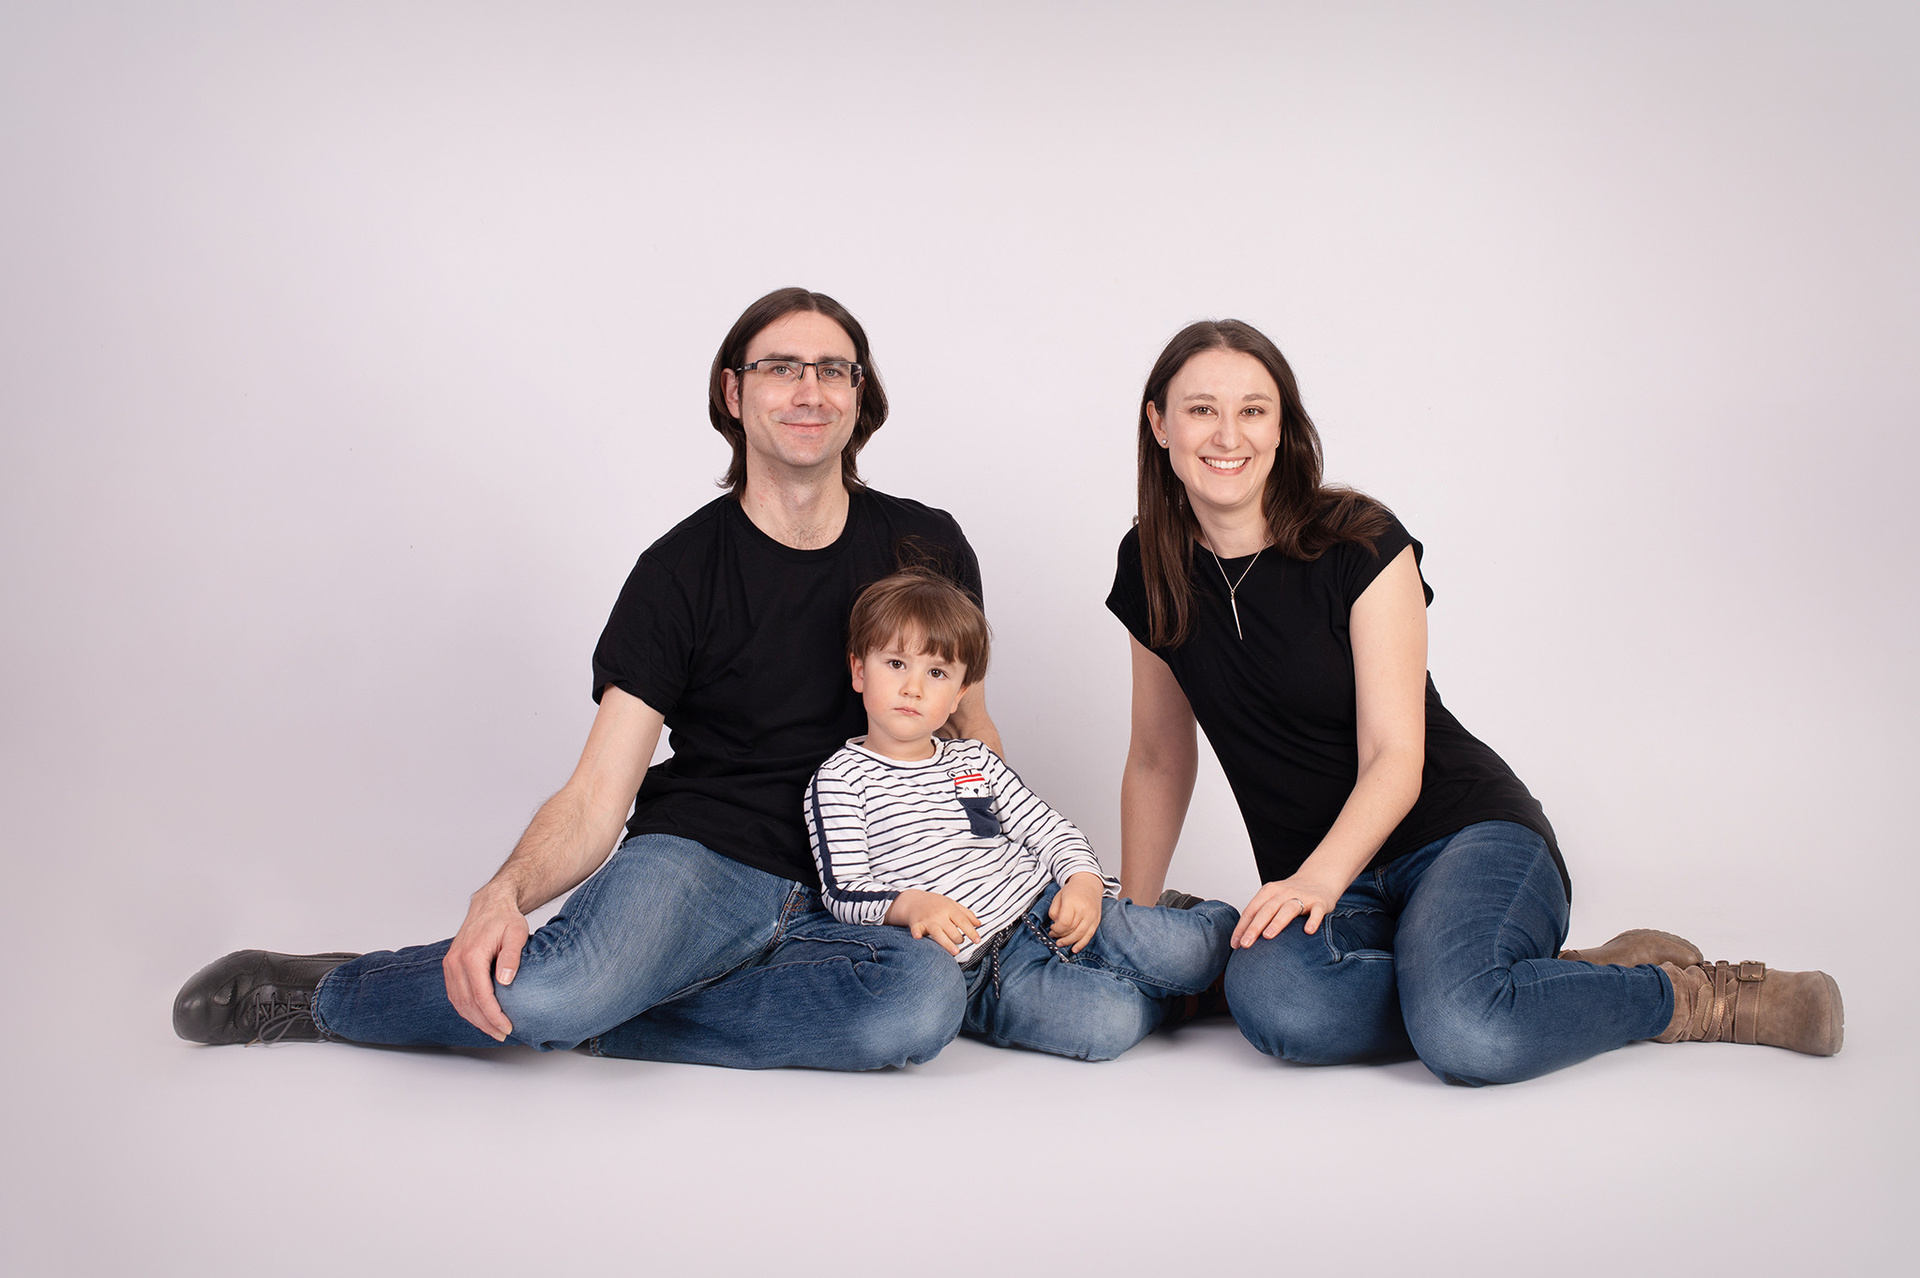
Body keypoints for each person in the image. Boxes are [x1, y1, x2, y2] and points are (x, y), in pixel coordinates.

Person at [172, 287, 1003, 1069]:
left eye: (834, 370)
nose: (809, 391)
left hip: (869, 873)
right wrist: (503, 894)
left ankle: (595, 1012)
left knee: (921, 1003)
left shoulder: (926, 547)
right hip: (706, 863)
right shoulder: (677, 574)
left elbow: (969, 733)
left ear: (860, 395)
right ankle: (329, 994)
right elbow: (598, 795)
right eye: (781, 367)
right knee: (553, 990)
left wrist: (1006, 871)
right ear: (734, 393)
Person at [1106, 319, 1844, 1086]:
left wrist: (1316, 880)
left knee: (1465, 1033)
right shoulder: (1150, 564)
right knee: (1275, 1001)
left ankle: (1689, 997)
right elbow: (1159, 759)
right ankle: (1513, 981)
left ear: (1282, 425)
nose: (1228, 435)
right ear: (1159, 423)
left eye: (1253, 410)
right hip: (1342, 890)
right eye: (1201, 409)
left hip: (1463, 836)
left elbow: (1396, 758)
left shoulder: (1358, 543)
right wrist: (1133, 931)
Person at [806, 570, 1236, 1061]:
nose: (913, 688)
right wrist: (910, 906)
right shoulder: (840, 780)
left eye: (937, 673)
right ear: (859, 670)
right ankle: (1176, 998)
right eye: (896, 663)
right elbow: (842, 889)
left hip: (1049, 907)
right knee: (1106, 1025)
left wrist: (1082, 881)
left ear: (959, 693)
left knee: (1202, 946)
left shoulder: (973, 761)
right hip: (985, 971)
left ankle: (1170, 924)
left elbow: (1048, 828)